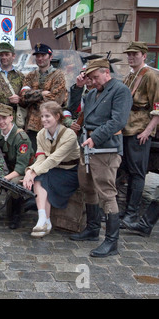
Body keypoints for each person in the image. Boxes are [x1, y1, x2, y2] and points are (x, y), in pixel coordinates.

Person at [68, 58, 132, 258]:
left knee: (106, 192)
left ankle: (112, 242)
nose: (93, 81)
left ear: (107, 72)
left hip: (106, 149)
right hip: (87, 146)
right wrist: (78, 88)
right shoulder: (93, 92)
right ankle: (92, 228)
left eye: (95, 77)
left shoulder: (120, 91)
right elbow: (73, 109)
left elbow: (118, 121)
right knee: (87, 187)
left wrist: (95, 138)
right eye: (90, 78)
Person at [23, 101, 80, 238]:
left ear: (57, 116)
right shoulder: (41, 134)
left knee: (42, 177)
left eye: (47, 116)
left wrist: (33, 172)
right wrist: (29, 172)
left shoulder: (69, 135)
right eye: (42, 116)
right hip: (52, 169)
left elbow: (54, 158)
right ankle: (44, 220)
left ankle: (44, 221)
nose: (44, 120)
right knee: (39, 178)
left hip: (70, 171)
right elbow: (41, 157)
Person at [119, 41, 159, 226]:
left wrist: (148, 131)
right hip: (127, 129)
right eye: (129, 54)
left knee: (137, 174)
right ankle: (126, 211)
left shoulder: (150, 75)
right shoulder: (130, 75)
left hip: (140, 130)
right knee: (127, 171)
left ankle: (132, 214)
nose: (131, 57)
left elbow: (157, 107)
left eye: (135, 54)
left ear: (144, 55)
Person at [0, 103, 34, 229]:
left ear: (11, 117)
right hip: (8, 167)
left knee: (13, 184)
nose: (1, 122)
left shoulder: (21, 138)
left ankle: (16, 215)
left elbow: (21, 167)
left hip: (23, 170)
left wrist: (2, 180)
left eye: (4, 118)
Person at [21, 43, 68, 152]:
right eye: (37, 56)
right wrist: (41, 93)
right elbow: (23, 96)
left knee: (47, 158)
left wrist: (32, 96)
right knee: (32, 156)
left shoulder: (58, 75)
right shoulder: (30, 76)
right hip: (31, 125)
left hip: (50, 126)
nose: (40, 58)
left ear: (50, 57)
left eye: (43, 55)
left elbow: (56, 100)